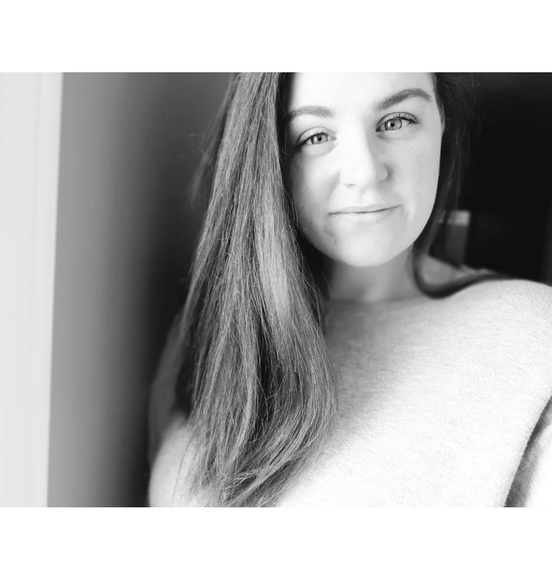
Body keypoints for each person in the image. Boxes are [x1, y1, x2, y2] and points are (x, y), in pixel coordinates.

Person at [147, 73, 552, 507]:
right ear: (268, 155)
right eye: (316, 136)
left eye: (396, 121)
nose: (366, 172)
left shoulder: (532, 342)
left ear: (442, 124)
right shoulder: (206, 332)